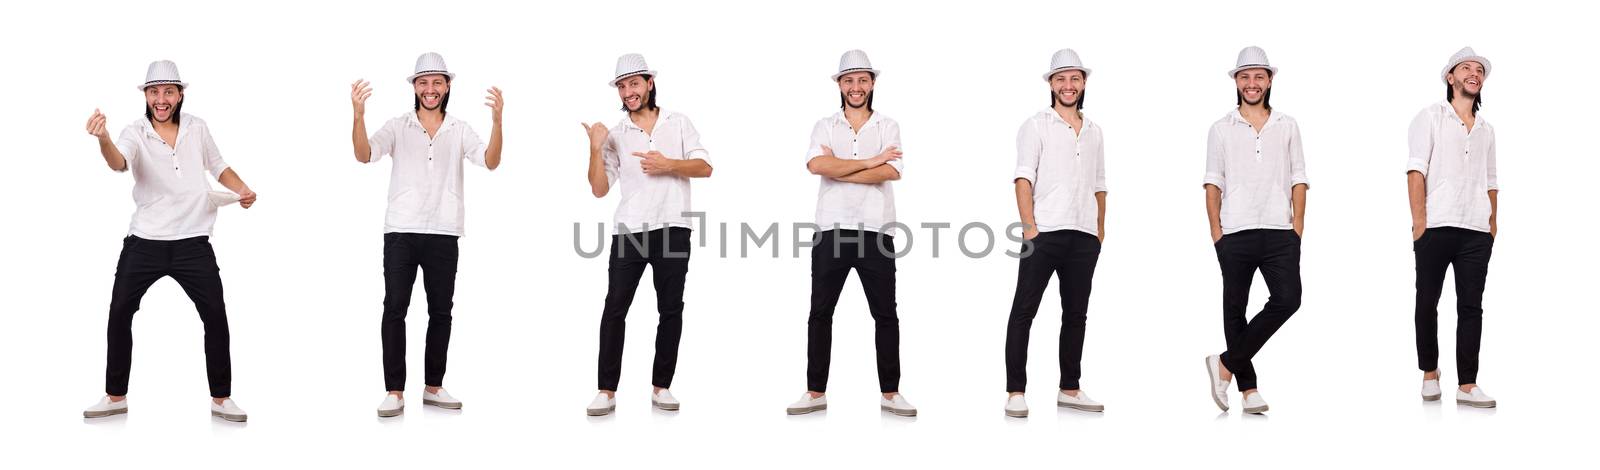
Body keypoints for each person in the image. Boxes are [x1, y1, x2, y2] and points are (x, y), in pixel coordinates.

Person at [81, 60, 258, 422]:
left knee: (215, 317)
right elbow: (118, 162)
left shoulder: (197, 127)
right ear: (145, 95)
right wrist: (103, 139)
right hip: (145, 239)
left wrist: (241, 188)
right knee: (119, 313)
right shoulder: (134, 132)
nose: (161, 99)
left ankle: (221, 399)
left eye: (168, 92)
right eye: (154, 92)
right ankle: (115, 396)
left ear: (179, 95)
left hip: (193, 240)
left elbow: (218, 165)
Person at [351, 52, 504, 417]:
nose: (430, 89)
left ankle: (433, 387)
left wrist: (498, 121)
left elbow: (491, 161)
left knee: (441, 312)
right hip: (401, 231)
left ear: (447, 86)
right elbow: (364, 154)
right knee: (395, 309)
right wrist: (358, 116)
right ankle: (395, 391)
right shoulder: (398, 125)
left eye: (437, 82)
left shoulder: (460, 128)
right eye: (423, 82)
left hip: (444, 231)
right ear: (415, 87)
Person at [582, 53, 713, 416]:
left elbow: (705, 167)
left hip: (673, 227)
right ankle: (606, 391)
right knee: (614, 309)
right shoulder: (616, 135)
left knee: (670, 308)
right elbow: (598, 189)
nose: (628, 92)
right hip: (630, 231)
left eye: (634, 84)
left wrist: (667, 163)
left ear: (649, 83)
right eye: (622, 87)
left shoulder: (679, 123)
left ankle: (661, 387)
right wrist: (594, 149)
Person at [785, 50, 915, 417]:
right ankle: (815, 392)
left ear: (872, 83)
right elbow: (816, 165)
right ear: (839, 85)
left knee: (885, 314)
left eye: (862, 80)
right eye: (848, 80)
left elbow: (891, 173)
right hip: (831, 229)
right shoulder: (824, 125)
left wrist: (840, 168)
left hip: (877, 230)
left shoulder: (888, 126)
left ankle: (891, 392)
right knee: (820, 313)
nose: (855, 87)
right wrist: (872, 160)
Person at [1202, 46, 1309, 415]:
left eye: (1258, 77)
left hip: (1280, 230)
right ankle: (1248, 390)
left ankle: (1225, 363)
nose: (1252, 84)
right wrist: (1217, 232)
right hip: (1235, 230)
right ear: (1236, 81)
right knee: (1235, 307)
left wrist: (1297, 227)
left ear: (1269, 80)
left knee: (1288, 299)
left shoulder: (1287, 125)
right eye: (1245, 77)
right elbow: (1213, 183)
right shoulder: (1220, 129)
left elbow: (1299, 177)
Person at [1003, 49, 1108, 418]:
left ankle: (1070, 388)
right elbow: (1022, 178)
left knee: (1076, 314)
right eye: (1061, 79)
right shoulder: (1036, 125)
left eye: (1074, 78)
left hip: (1083, 237)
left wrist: (1099, 230)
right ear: (1051, 84)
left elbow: (1100, 184)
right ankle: (1016, 391)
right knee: (1024, 312)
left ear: (1083, 83)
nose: (1068, 85)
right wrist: (1030, 228)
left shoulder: (1094, 131)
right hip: (1044, 232)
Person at [1407, 47, 1499, 408]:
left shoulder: (1487, 130)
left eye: (1479, 70)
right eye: (1466, 68)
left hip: (1476, 229)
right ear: (1451, 77)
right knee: (1427, 301)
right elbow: (1416, 170)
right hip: (1436, 225)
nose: (1474, 73)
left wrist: (1493, 224)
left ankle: (1467, 384)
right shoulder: (1430, 117)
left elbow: (1492, 180)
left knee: (1472, 307)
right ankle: (1430, 373)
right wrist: (1419, 224)